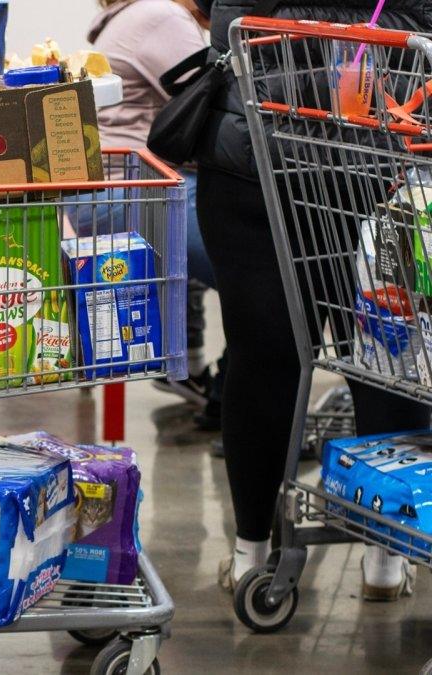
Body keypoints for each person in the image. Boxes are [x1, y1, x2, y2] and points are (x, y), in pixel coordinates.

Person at [194, 0, 432, 599]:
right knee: (384, 359)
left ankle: (253, 553)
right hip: (367, 159)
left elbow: (221, 16)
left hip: (265, 153)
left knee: (274, 361)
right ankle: (382, 557)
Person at [67, 0, 222, 418]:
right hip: (129, 191)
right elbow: (214, 104)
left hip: (98, 192)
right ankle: (237, 397)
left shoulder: (127, 16)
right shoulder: (163, 15)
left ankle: (192, 369)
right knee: (254, 268)